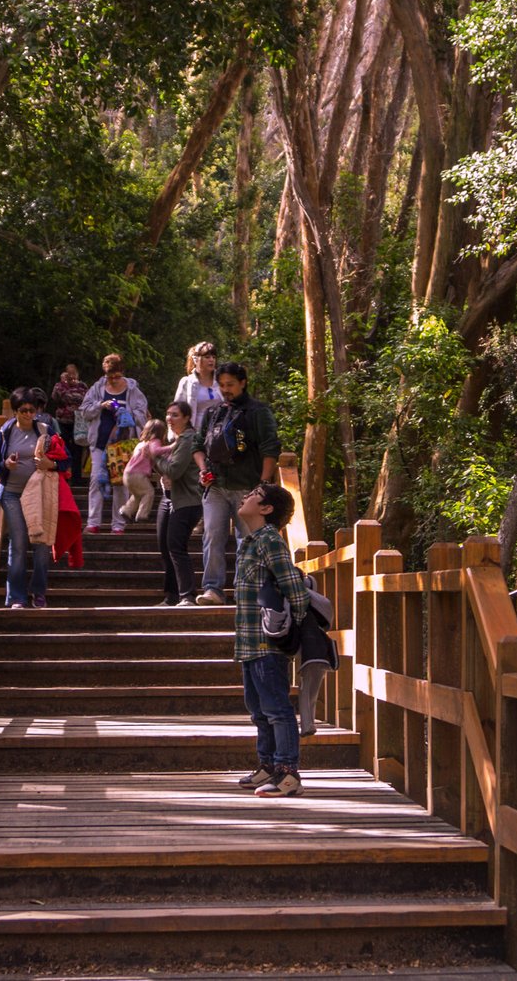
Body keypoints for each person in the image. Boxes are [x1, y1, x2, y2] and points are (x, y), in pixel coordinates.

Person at [232, 482, 308, 798]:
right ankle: (268, 765)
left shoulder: (269, 542)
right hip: (249, 643)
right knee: (258, 709)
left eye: (254, 496)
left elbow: (295, 590)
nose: (246, 496)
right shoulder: (250, 541)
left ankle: (288, 773)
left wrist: (287, 627)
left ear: (266, 509)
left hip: (267, 643)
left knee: (277, 708)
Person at [196, 362, 281, 604]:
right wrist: (203, 470)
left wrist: (262, 486)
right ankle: (213, 589)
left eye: (230, 384)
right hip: (216, 486)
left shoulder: (258, 412)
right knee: (212, 535)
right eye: (221, 385)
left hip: (248, 488)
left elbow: (270, 449)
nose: (225, 389)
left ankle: (246, 590)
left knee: (249, 540)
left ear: (243, 382)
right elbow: (198, 445)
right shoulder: (214, 413)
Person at [0, 387, 68, 609]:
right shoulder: (6, 432)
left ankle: (39, 592)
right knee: (19, 542)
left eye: (32, 410)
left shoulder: (45, 430)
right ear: (15, 411)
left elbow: (66, 461)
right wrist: (6, 465)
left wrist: (49, 464)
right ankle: (17, 597)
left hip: (40, 495)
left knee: (41, 544)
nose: (27, 414)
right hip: (12, 493)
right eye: (23, 410)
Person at [79, 354, 150, 534]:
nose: (114, 380)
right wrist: (100, 406)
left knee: (120, 483)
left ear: (122, 372)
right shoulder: (97, 388)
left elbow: (143, 413)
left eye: (117, 376)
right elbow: (84, 411)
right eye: (110, 377)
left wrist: (126, 413)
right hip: (100, 443)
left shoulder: (133, 390)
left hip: (124, 445)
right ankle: (93, 522)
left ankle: (118, 524)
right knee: (96, 480)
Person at [154, 400, 203, 607]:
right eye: (168, 414)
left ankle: (188, 595)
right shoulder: (176, 439)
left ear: (186, 418)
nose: (169, 419)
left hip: (188, 500)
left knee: (176, 545)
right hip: (170, 498)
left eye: (175, 415)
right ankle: (172, 595)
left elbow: (174, 470)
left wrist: (153, 457)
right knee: (165, 546)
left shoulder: (188, 438)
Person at [120, 419, 170, 522]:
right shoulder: (154, 442)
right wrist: (171, 447)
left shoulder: (141, 443)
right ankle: (142, 515)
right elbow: (156, 451)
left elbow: (153, 460)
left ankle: (126, 510)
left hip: (127, 474)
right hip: (137, 474)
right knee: (149, 492)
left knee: (138, 495)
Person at [173, 342, 223, 431]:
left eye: (213, 357)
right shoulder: (187, 382)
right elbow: (177, 411)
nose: (211, 360)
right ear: (196, 360)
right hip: (195, 434)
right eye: (207, 357)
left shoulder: (221, 381)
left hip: (219, 434)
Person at [50, 364, 88, 463]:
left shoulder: (82, 386)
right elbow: (55, 397)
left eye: (74, 373)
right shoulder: (59, 385)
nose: (72, 376)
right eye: (69, 374)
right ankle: (64, 473)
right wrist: (64, 384)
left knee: (77, 449)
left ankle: (76, 477)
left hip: (78, 423)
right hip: (62, 421)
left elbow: (84, 399)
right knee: (63, 447)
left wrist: (68, 395)